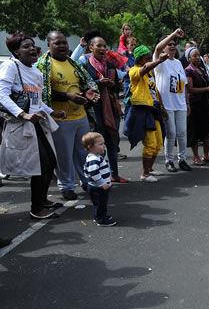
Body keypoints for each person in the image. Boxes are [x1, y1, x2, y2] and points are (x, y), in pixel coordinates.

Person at [0, 32, 66, 220]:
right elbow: (2, 95)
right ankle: (36, 209)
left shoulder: (36, 71)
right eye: (25, 46)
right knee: (41, 165)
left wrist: (52, 112)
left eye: (32, 45)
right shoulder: (10, 67)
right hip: (22, 125)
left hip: (38, 123)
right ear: (16, 52)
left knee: (50, 162)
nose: (31, 49)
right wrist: (23, 114)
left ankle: (43, 200)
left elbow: (36, 100)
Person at [36, 31, 100, 201]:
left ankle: (87, 181)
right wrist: (67, 96)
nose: (63, 45)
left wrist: (88, 93)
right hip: (60, 119)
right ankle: (66, 186)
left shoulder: (74, 64)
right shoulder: (43, 65)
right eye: (57, 43)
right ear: (48, 45)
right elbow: (42, 93)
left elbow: (85, 83)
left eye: (64, 42)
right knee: (63, 156)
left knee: (84, 152)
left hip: (80, 116)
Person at [81, 36, 127, 183]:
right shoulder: (85, 65)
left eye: (104, 46)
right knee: (97, 144)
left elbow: (119, 86)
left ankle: (114, 174)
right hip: (95, 110)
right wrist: (98, 83)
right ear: (91, 48)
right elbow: (83, 85)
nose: (102, 49)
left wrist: (112, 84)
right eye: (99, 46)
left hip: (111, 108)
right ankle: (98, 177)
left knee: (112, 141)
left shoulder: (110, 65)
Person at [123, 45, 168, 182]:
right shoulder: (134, 71)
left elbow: (155, 91)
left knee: (159, 143)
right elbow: (144, 69)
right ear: (139, 59)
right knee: (150, 144)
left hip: (153, 110)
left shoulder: (150, 74)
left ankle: (150, 169)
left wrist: (163, 108)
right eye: (147, 58)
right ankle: (145, 174)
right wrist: (158, 61)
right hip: (141, 111)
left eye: (150, 57)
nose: (149, 59)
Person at [154, 29, 192, 172]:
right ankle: (169, 160)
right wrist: (174, 34)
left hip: (180, 104)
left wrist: (187, 103)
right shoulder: (160, 62)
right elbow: (157, 48)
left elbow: (184, 86)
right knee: (171, 133)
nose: (172, 46)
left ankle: (182, 159)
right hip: (167, 104)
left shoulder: (177, 63)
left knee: (182, 133)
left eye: (174, 44)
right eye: (168, 44)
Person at [185, 46, 209, 164]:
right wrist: (207, 89)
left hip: (205, 103)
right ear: (189, 58)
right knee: (195, 131)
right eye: (194, 55)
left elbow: (206, 86)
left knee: (208, 129)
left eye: (198, 55)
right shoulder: (188, 70)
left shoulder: (202, 70)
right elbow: (190, 89)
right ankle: (196, 157)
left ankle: (206, 155)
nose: (197, 58)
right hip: (194, 104)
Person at [82, 132, 116, 226]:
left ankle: (99, 216)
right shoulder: (93, 159)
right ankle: (101, 220)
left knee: (102, 203)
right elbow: (94, 173)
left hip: (98, 186)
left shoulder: (96, 156)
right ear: (90, 147)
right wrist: (102, 183)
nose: (103, 146)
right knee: (100, 203)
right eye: (100, 144)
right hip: (97, 187)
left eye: (103, 143)